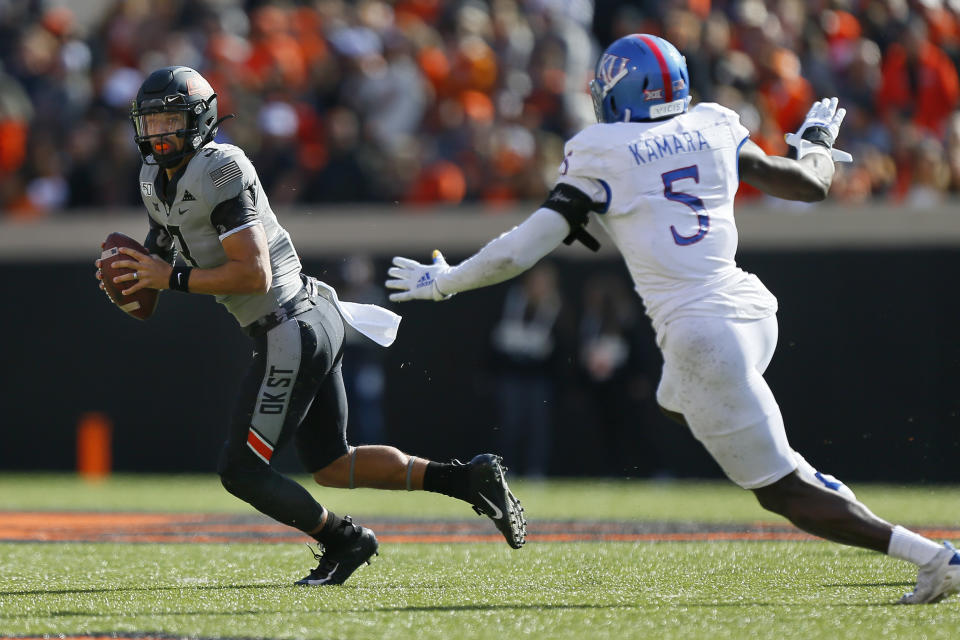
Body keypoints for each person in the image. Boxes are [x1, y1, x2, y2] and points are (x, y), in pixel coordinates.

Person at [385, 35, 960, 605]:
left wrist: (444, 282)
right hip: (750, 310)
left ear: (618, 94)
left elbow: (518, 251)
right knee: (673, 400)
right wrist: (815, 141)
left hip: (702, 336)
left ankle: (933, 559)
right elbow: (807, 184)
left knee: (782, 492)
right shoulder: (713, 122)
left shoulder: (599, 150)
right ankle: (805, 475)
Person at [93, 66, 526, 586]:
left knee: (242, 470)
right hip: (300, 319)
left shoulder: (220, 168)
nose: (160, 133)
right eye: (153, 121)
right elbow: (164, 248)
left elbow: (253, 273)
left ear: (201, 121)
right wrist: (138, 280)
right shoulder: (152, 180)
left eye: (172, 120)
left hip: (290, 323)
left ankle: (345, 540)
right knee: (333, 464)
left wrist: (171, 278)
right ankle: (469, 479)